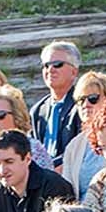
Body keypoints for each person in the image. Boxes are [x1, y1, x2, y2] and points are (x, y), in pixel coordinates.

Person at [59, 71, 106, 200]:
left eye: (93, 99)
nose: (86, 105)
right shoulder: (74, 146)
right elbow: (68, 191)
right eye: (81, 100)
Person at [33, 41, 84, 170]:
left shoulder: (83, 105)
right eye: (46, 65)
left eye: (57, 64)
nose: (50, 70)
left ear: (74, 71)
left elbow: (79, 149)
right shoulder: (38, 110)